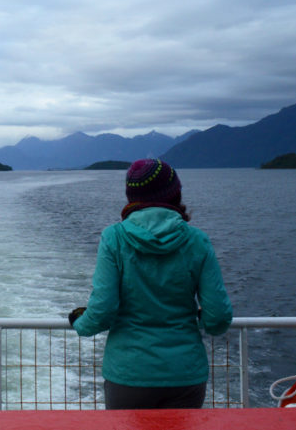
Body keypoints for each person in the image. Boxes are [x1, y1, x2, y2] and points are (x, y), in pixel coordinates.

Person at [69, 158, 233, 409]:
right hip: (184, 374)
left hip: (129, 374)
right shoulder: (197, 241)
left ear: (131, 196)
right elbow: (218, 317)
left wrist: (80, 324)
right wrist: (200, 319)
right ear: (174, 193)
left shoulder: (114, 238)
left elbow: (103, 310)